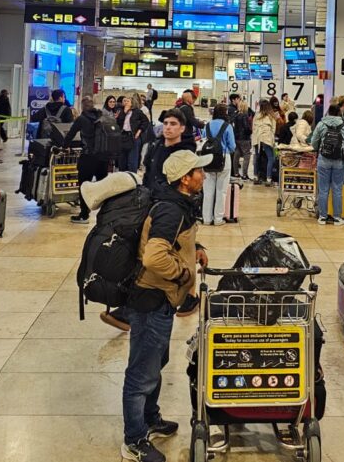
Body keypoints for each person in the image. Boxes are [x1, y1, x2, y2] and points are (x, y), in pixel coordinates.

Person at [120, 150, 209, 462]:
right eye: (198, 170)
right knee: (141, 370)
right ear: (185, 179)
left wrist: (194, 249)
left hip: (160, 300)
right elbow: (155, 257)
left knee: (156, 360)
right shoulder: (172, 210)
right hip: (152, 298)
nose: (203, 174)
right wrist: (183, 273)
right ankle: (133, 439)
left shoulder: (178, 203)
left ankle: (150, 417)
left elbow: (172, 241)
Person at [65, 96, 111, 224]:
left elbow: (70, 134)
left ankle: (84, 214)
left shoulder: (81, 119)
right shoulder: (102, 116)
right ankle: (106, 214)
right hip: (103, 157)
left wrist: (64, 146)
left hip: (88, 157)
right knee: (104, 187)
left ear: (82, 106)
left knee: (84, 186)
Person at [311, 104, 344, 225]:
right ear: (340, 113)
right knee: (337, 189)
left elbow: (314, 143)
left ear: (328, 112)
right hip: (339, 161)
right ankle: (337, 218)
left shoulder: (321, 124)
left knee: (323, 189)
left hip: (323, 160)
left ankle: (323, 217)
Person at [142, 110, 195, 193]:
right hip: (151, 198)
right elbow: (147, 174)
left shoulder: (186, 153)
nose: (168, 127)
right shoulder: (154, 146)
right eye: (165, 123)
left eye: (173, 124)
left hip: (172, 201)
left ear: (182, 128)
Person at [201, 104, 236, 225]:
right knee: (221, 191)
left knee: (208, 190)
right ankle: (218, 219)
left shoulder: (207, 125)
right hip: (224, 158)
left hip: (207, 158)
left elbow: (203, 141)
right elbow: (232, 146)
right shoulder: (228, 126)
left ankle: (206, 219)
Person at [118, 94, 151, 172]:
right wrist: (124, 112)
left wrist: (139, 131)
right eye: (125, 101)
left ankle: (132, 176)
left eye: (128, 101)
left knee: (132, 160)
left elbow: (146, 121)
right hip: (123, 136)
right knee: (122, 159)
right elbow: (119, 122)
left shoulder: (137, 112)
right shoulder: (122, 111)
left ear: (132, 103)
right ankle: (122, 175)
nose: (126, 102)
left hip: (133, 137)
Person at [251, 100, 277, 186]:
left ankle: (255, 177)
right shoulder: (271, 116)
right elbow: (273, 129)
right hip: (267, 137)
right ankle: (268, 178)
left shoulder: (256, 115)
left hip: (257, 137)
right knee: (270, 157)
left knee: (257, 156)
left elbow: (253, 128)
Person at [231, 99, 253, 180]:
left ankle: (236, 173)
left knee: (236, 154)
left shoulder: (235, 115)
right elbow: (246, 127)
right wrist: (251, 131)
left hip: (236, 137)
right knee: (247, 155)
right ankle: (244, 174)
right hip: (244, 138)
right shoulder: (245, 116)